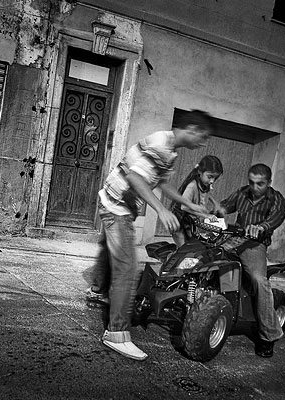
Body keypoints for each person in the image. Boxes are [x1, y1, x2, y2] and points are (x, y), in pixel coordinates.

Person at [86, 110, 214, 361]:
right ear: (191, 129)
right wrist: (161, 209)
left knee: (108, 253)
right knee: (126, 269)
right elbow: (135, 177)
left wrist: (189, 206)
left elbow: (160, 183)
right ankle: (117, 333)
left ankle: (98, 291)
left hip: (114, 201)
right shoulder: (160, 145)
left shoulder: (171, 150)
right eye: (203, 137)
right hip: (117, 208)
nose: (202, 143)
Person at [218, 163, 285, 358]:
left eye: (260, 184)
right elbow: (224, 206)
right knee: (205, 259)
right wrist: (215, 211)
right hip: (233, 240)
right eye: (252, 183)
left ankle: (269, 335)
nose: (255, 188)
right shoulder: (242, 193)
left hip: (255, 245)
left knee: (258, 280)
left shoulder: (275, 198)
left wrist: (262, 227)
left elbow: (277, 217)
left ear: (269, 183)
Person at [171, 155, 224, 246]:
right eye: (210, 177)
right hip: (178, 221)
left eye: (215, 178)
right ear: (200, 171)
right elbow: (184, 207)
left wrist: (215, 203)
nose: (212, 181)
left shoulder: (205, 183)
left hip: (190, 220)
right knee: (183, 248)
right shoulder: (192, 186)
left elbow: (206, 194)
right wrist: (205, 215)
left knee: (192, 245)